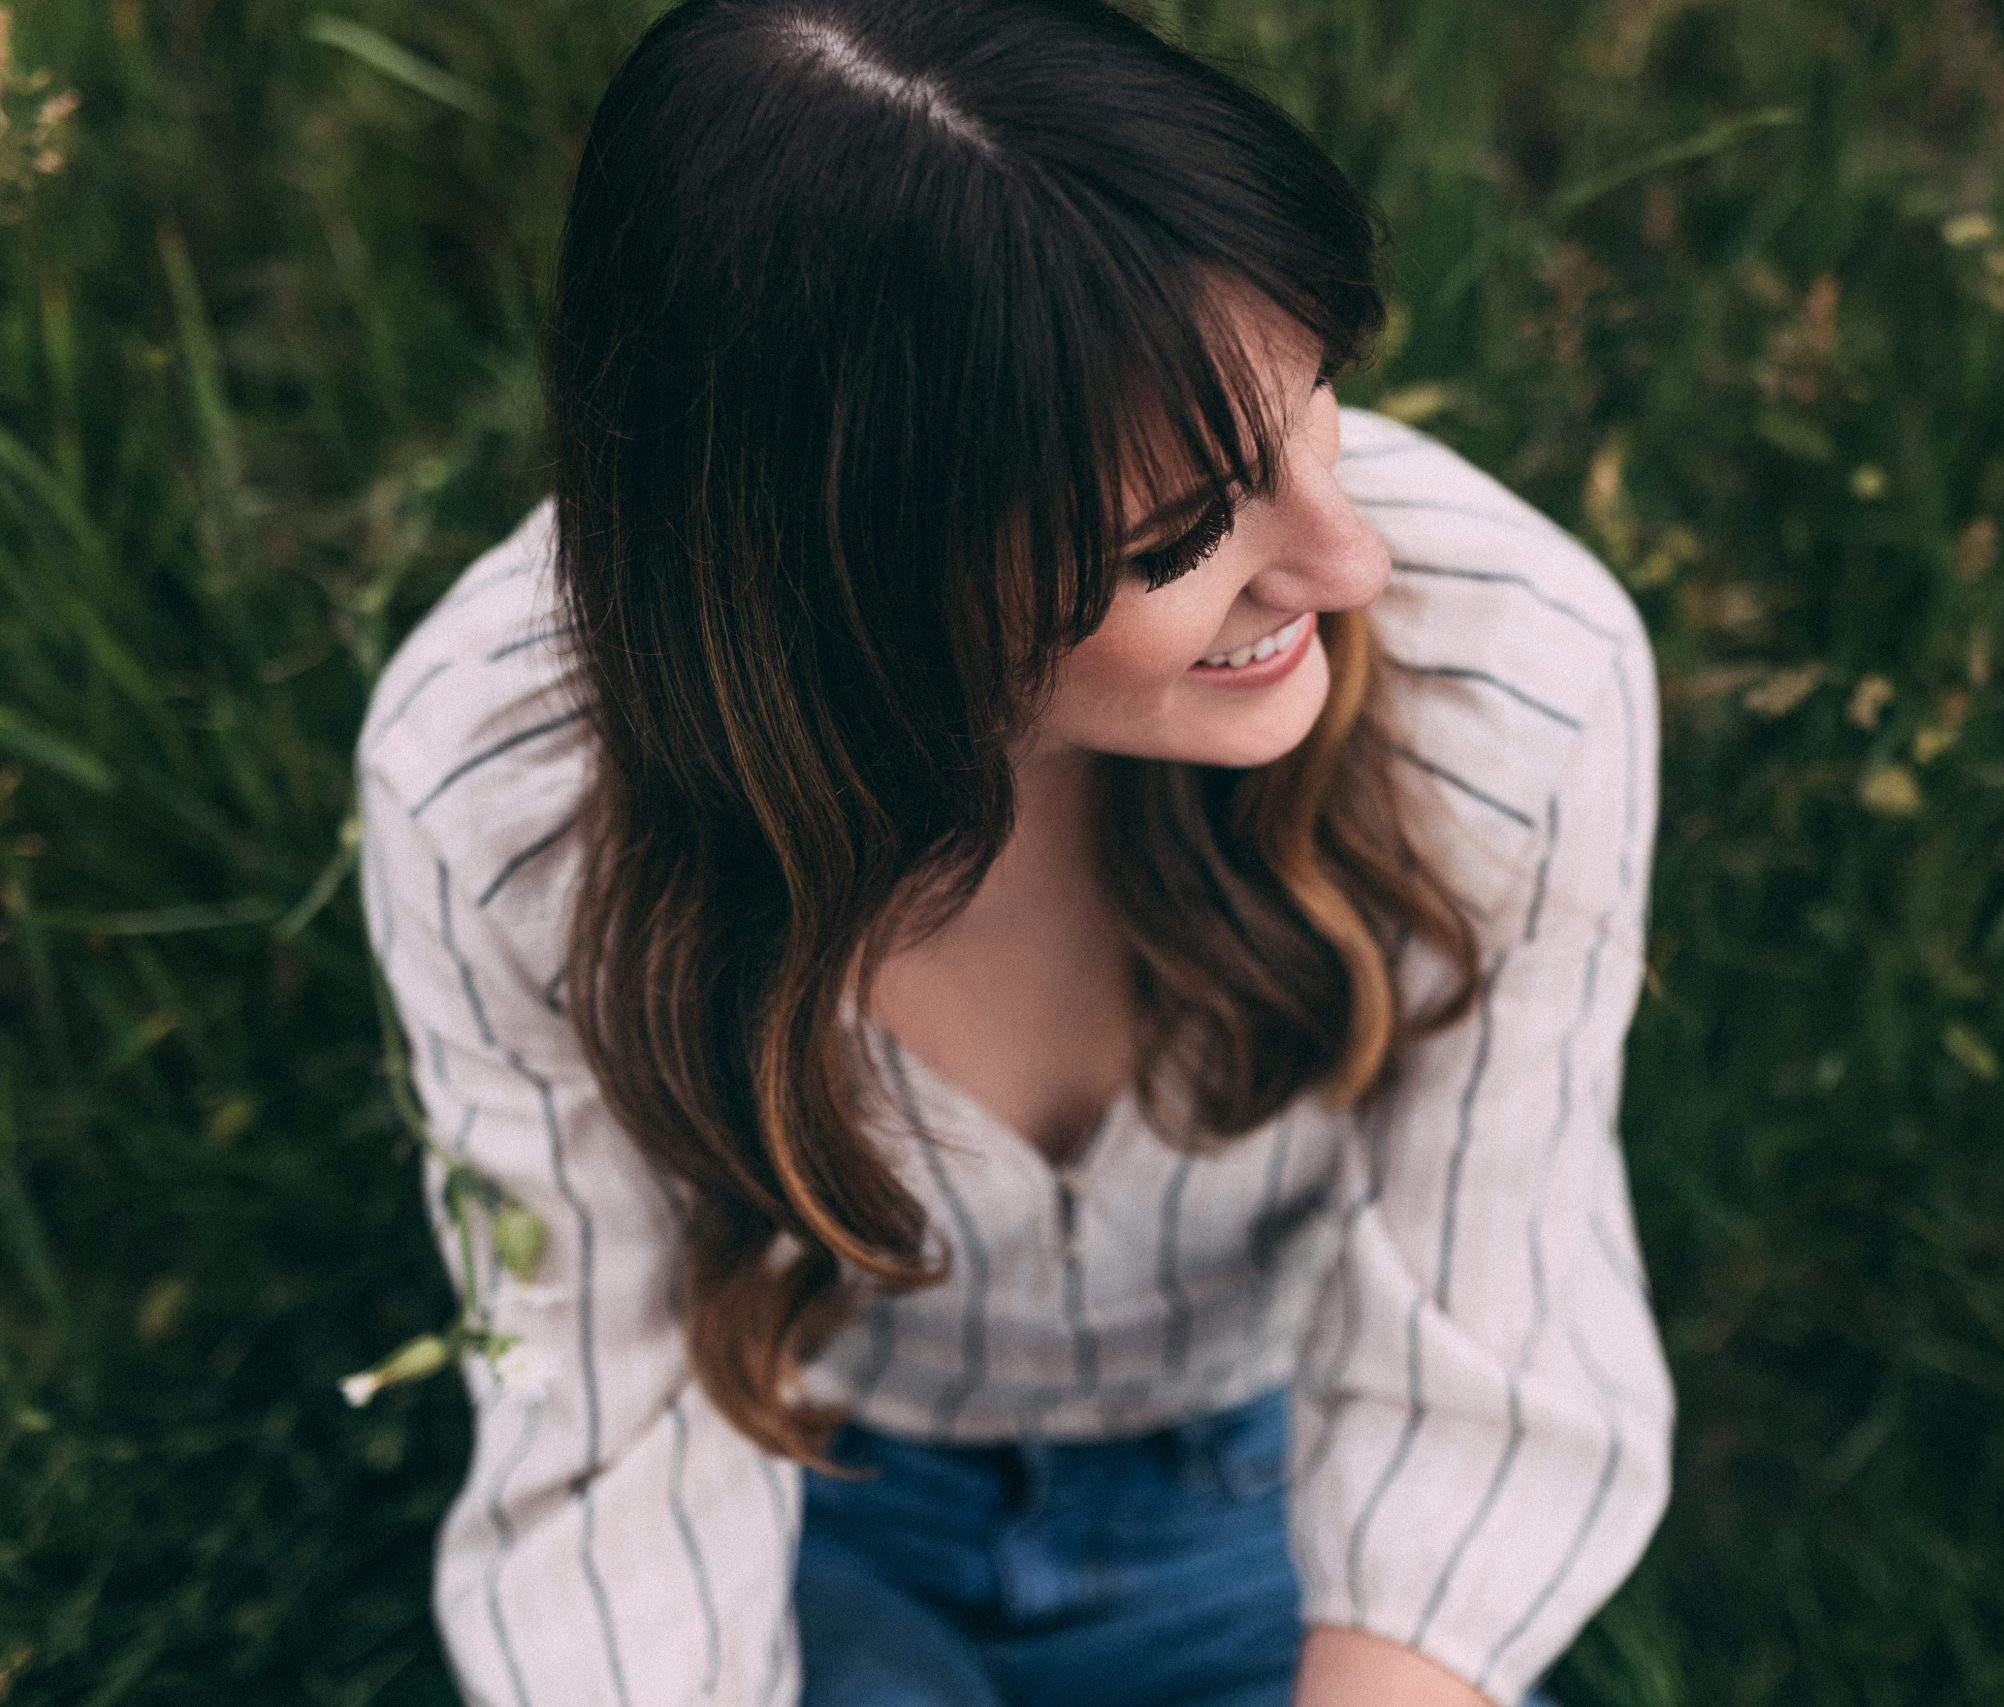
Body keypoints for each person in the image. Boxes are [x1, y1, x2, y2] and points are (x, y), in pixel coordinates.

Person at [352, 1, 1674, 1703]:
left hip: (1279, 1482)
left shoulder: (1515, 674)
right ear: (851, 571)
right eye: (1180, 535)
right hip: (809, 1497)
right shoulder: (497, 792)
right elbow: (608, 1435)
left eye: (1319, 397)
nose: (1343, 564)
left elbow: (1498, 1332)